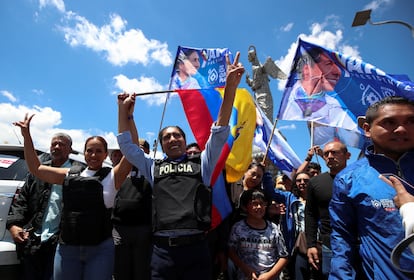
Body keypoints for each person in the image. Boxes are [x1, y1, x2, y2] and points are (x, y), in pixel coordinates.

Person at [117, 52, 244, 280]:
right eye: (167, 137)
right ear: (162, 145)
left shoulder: (203, 163)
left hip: (196, 249)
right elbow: (128, 146)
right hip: (162, 251)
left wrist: (231, 86)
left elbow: (219, 131)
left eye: (177, 135)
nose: (173, 139)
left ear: (185, 142)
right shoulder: (152, 167)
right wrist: (123, 110)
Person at [13, 114, 131, 280]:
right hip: (67, 249)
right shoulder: (70, 174)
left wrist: (126, 113)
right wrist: (27, 136)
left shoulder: (114, 176)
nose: (94, 155)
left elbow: (131, 148)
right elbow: (36, 168)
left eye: (99, 151)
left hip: (100, 249)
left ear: (106, 155)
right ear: (84, 153)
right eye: (90, 150)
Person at [329, 96, 414, 279]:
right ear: (367, 129)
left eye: (411, 121)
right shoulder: (349, 179)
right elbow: (343, 238)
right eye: (389, 122)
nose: (401, 129)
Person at [7, 133, 74, 280]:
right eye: (54, 144)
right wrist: (14, 225)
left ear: (70, 149)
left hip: (61, 244)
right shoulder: (37, 171)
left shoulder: (76, 173)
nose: (57, 147)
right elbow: (22, 200)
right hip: (33, 240)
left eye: (61, 144)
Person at [278, 46, 359, 143]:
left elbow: (354, 139)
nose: (337, 72)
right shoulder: (289, 100)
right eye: (328, 64)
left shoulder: (335, 106)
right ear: (307, 69)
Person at [305, 140, 350, 279]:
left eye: (334, 152)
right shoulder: (315, 182)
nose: (330, 156)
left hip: (359, 243)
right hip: (329, 245)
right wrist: (311, 244)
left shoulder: (359, 178)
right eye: (326, 154)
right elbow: (310, 214)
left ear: (347, 155)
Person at [111, 138, 152, 280]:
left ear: (147, 151)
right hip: (120, 229)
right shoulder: (119, 170)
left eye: (141, 148)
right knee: (120, 270)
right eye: (135, 148)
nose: (137, 151)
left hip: (143, 229)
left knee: (141, 271)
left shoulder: (152, 170)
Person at [228, 188, 289, 280]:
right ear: (245, 207)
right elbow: (231, 251)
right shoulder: (238, 228)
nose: (259, 207)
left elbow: (284, 256)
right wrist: (246, 269)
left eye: (262, 204)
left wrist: (270, 275)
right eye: (254, 204)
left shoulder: (273, 228)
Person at [273, 172, 312, 280]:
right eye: (299, 180)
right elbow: (270, 192)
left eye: (306, 180)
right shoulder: (289, 197)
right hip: (297, 244)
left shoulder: (317, 198)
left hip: (315, 243)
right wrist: (264, 172)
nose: (302, 183)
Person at [245, 45, 286, 122]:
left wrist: (250, 82)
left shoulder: (256, 68)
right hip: (259, 95)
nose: (248, 58)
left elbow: (256, 84)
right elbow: (256, 83)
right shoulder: (256, 67)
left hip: (263, 96)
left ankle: (269, 132)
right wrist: (249, 80)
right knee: (260, 118)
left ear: (252, 56)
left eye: (249, 56)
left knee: (265, 118)